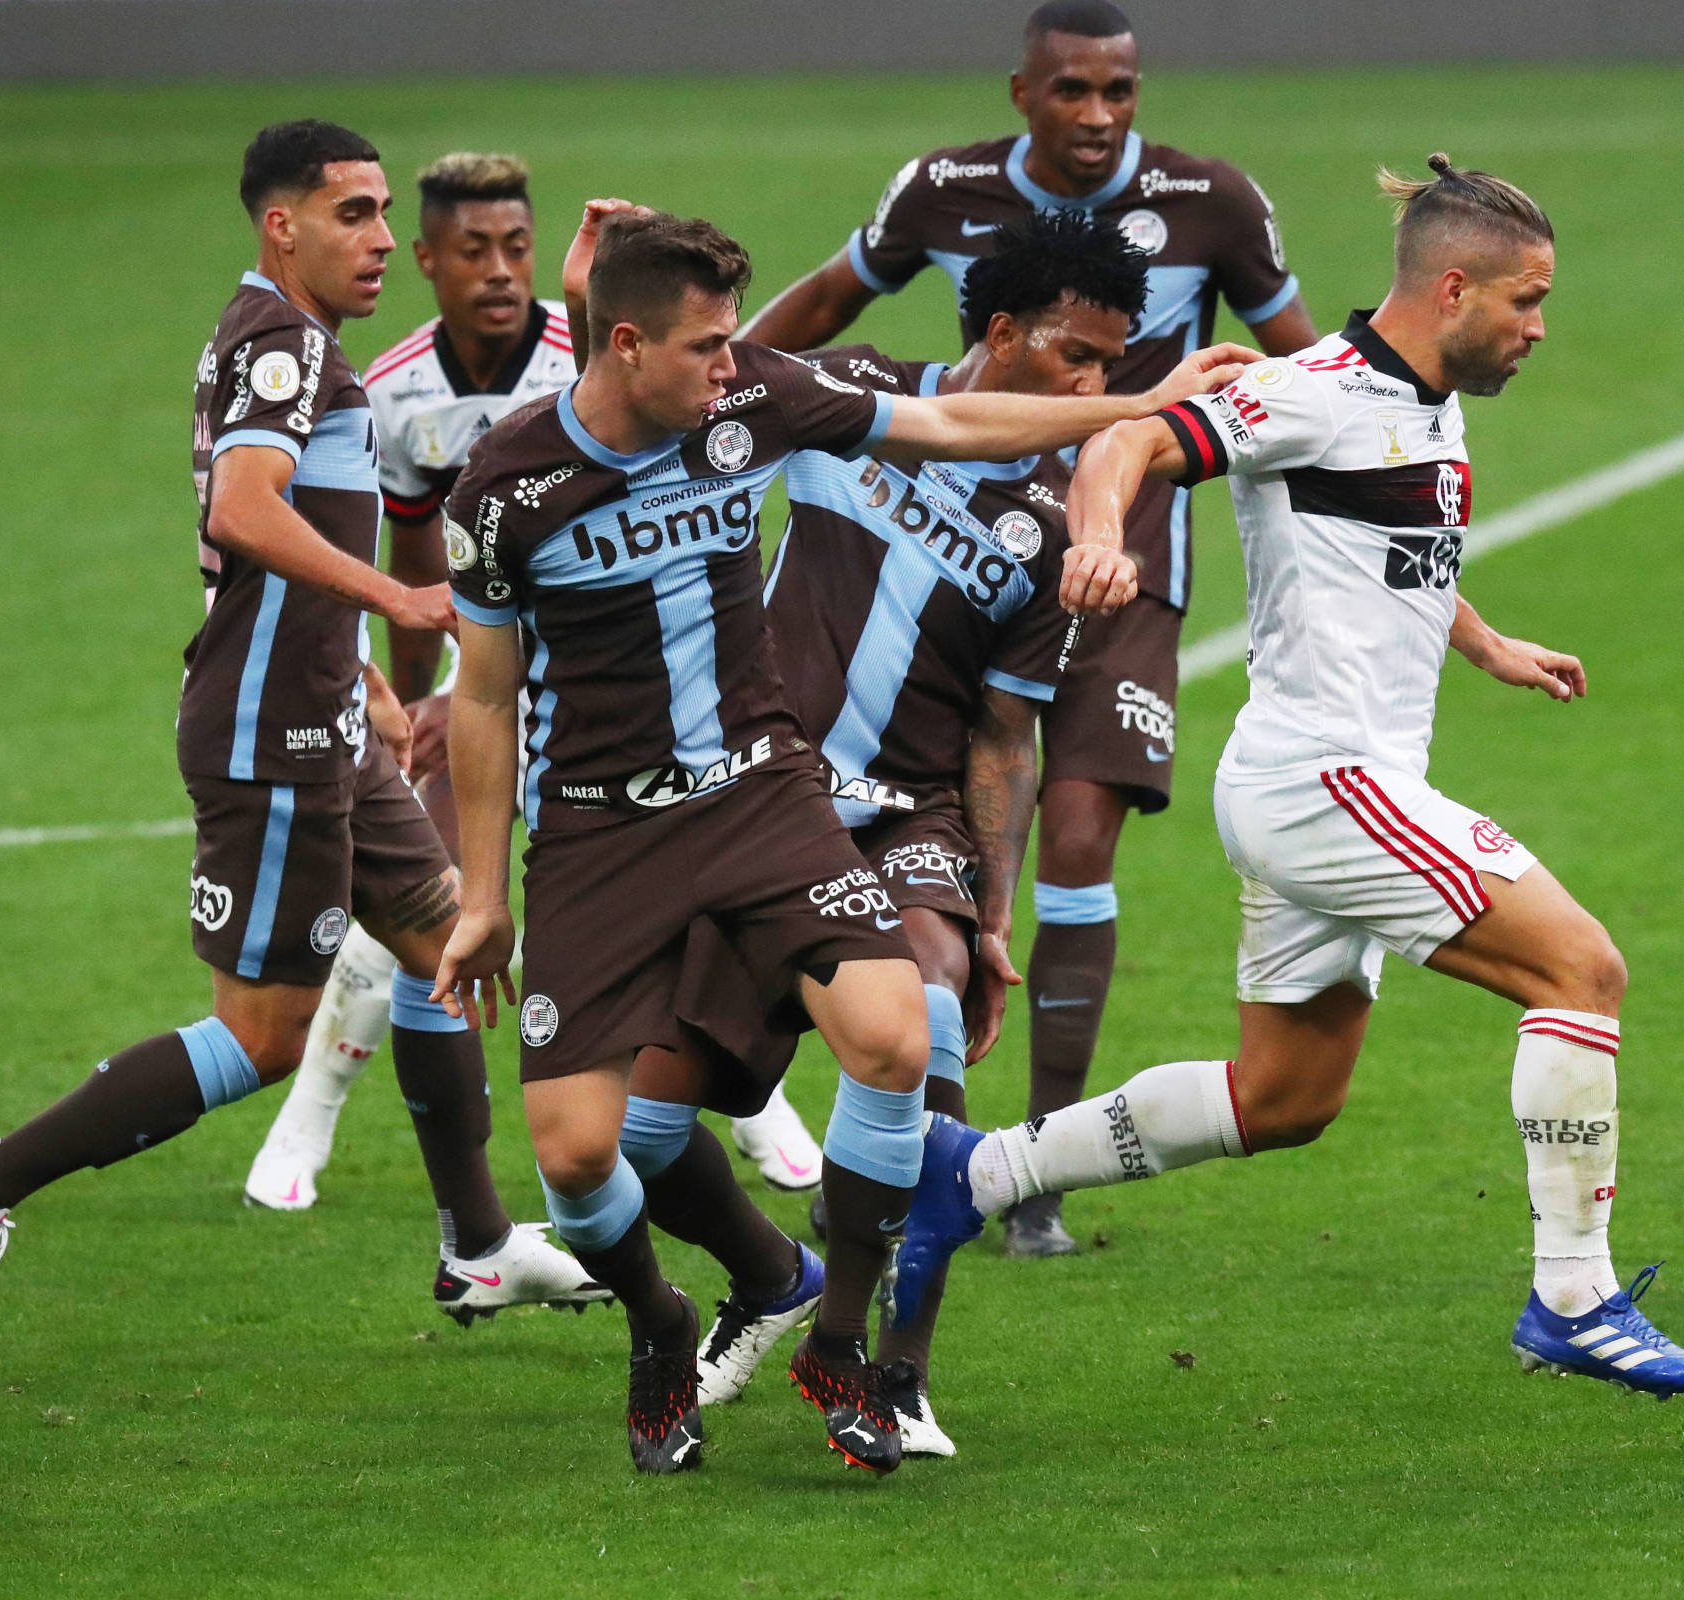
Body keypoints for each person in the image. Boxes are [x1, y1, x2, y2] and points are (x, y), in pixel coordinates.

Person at [890, 157, 1684, 1403]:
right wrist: (1104, 533)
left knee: (1284, 1094)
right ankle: (1575, 1296)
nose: (1539, 330)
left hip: (1327, 784)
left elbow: (1396, 547)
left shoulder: (1426, 402)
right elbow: (1129, 442)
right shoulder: (1314, 393)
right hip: (1323, 781)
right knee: (1582, 968)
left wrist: (1487, 642)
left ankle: (977, 1175)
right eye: (1527, 303)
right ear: (1453, 289)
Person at [430, 206, 1247, 1474]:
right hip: (600, 832)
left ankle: (854, 1349)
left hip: (774, 795)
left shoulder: (755, 402)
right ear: (630, 342)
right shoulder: (507, 491)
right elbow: (481, 695)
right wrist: (483, 895)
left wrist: (1144, 409)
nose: (732, 361)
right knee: (590, 1159)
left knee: (897, 1029)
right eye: (706, 344)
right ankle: (671, 1315)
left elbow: (961, 442)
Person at [0, 121, 602, 1359]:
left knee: (452, 949)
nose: (385, 239)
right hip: (271, 735)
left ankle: (478, 1245)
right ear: (283, 226)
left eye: (388, 214)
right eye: (355, 216)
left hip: (327, 715)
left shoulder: (294, 341)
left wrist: (371, 687)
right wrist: (396, 602)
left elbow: (259, 545)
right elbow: (243, 508)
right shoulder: (284, 345)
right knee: (267, 1032)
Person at [743, 0, 1317, 1258]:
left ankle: (1036, 1162)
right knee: (937, 822)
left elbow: (1304, 362)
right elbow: (834, 298)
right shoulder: (940, 194)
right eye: (1074, 92)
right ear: (1024, 94)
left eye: (1122, 91)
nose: (1100, 116)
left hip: (1126, 564)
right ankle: (933, 1152)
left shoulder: (1212, 199)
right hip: (971, 541)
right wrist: (704, 380)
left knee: (1075, 828)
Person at [626, 208, 1147, 1461]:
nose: (1098, 389)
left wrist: (995, 907)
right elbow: (675, 390)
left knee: (931, 991)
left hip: (909, 813)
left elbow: (1001, 740)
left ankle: (882, 1363)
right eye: (1079, 358)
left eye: (1115, 368)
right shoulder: (848, 392)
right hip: (758, 795)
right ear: (1004, 331)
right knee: (636, 1131)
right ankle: (770, 1272)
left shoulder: (1051, 522)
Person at [244, 155, 822, 1214]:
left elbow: (632, 426)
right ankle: (313, 1112)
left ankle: (750, 1108)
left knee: (701, 894)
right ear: (428, 263)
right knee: (439, 907)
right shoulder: (395, 392)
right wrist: (414, 703)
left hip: (636, 680)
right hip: (496, 675)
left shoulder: (594, 353)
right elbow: (417, 566)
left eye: (518, 246)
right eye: (474, 251)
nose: (500, 271)